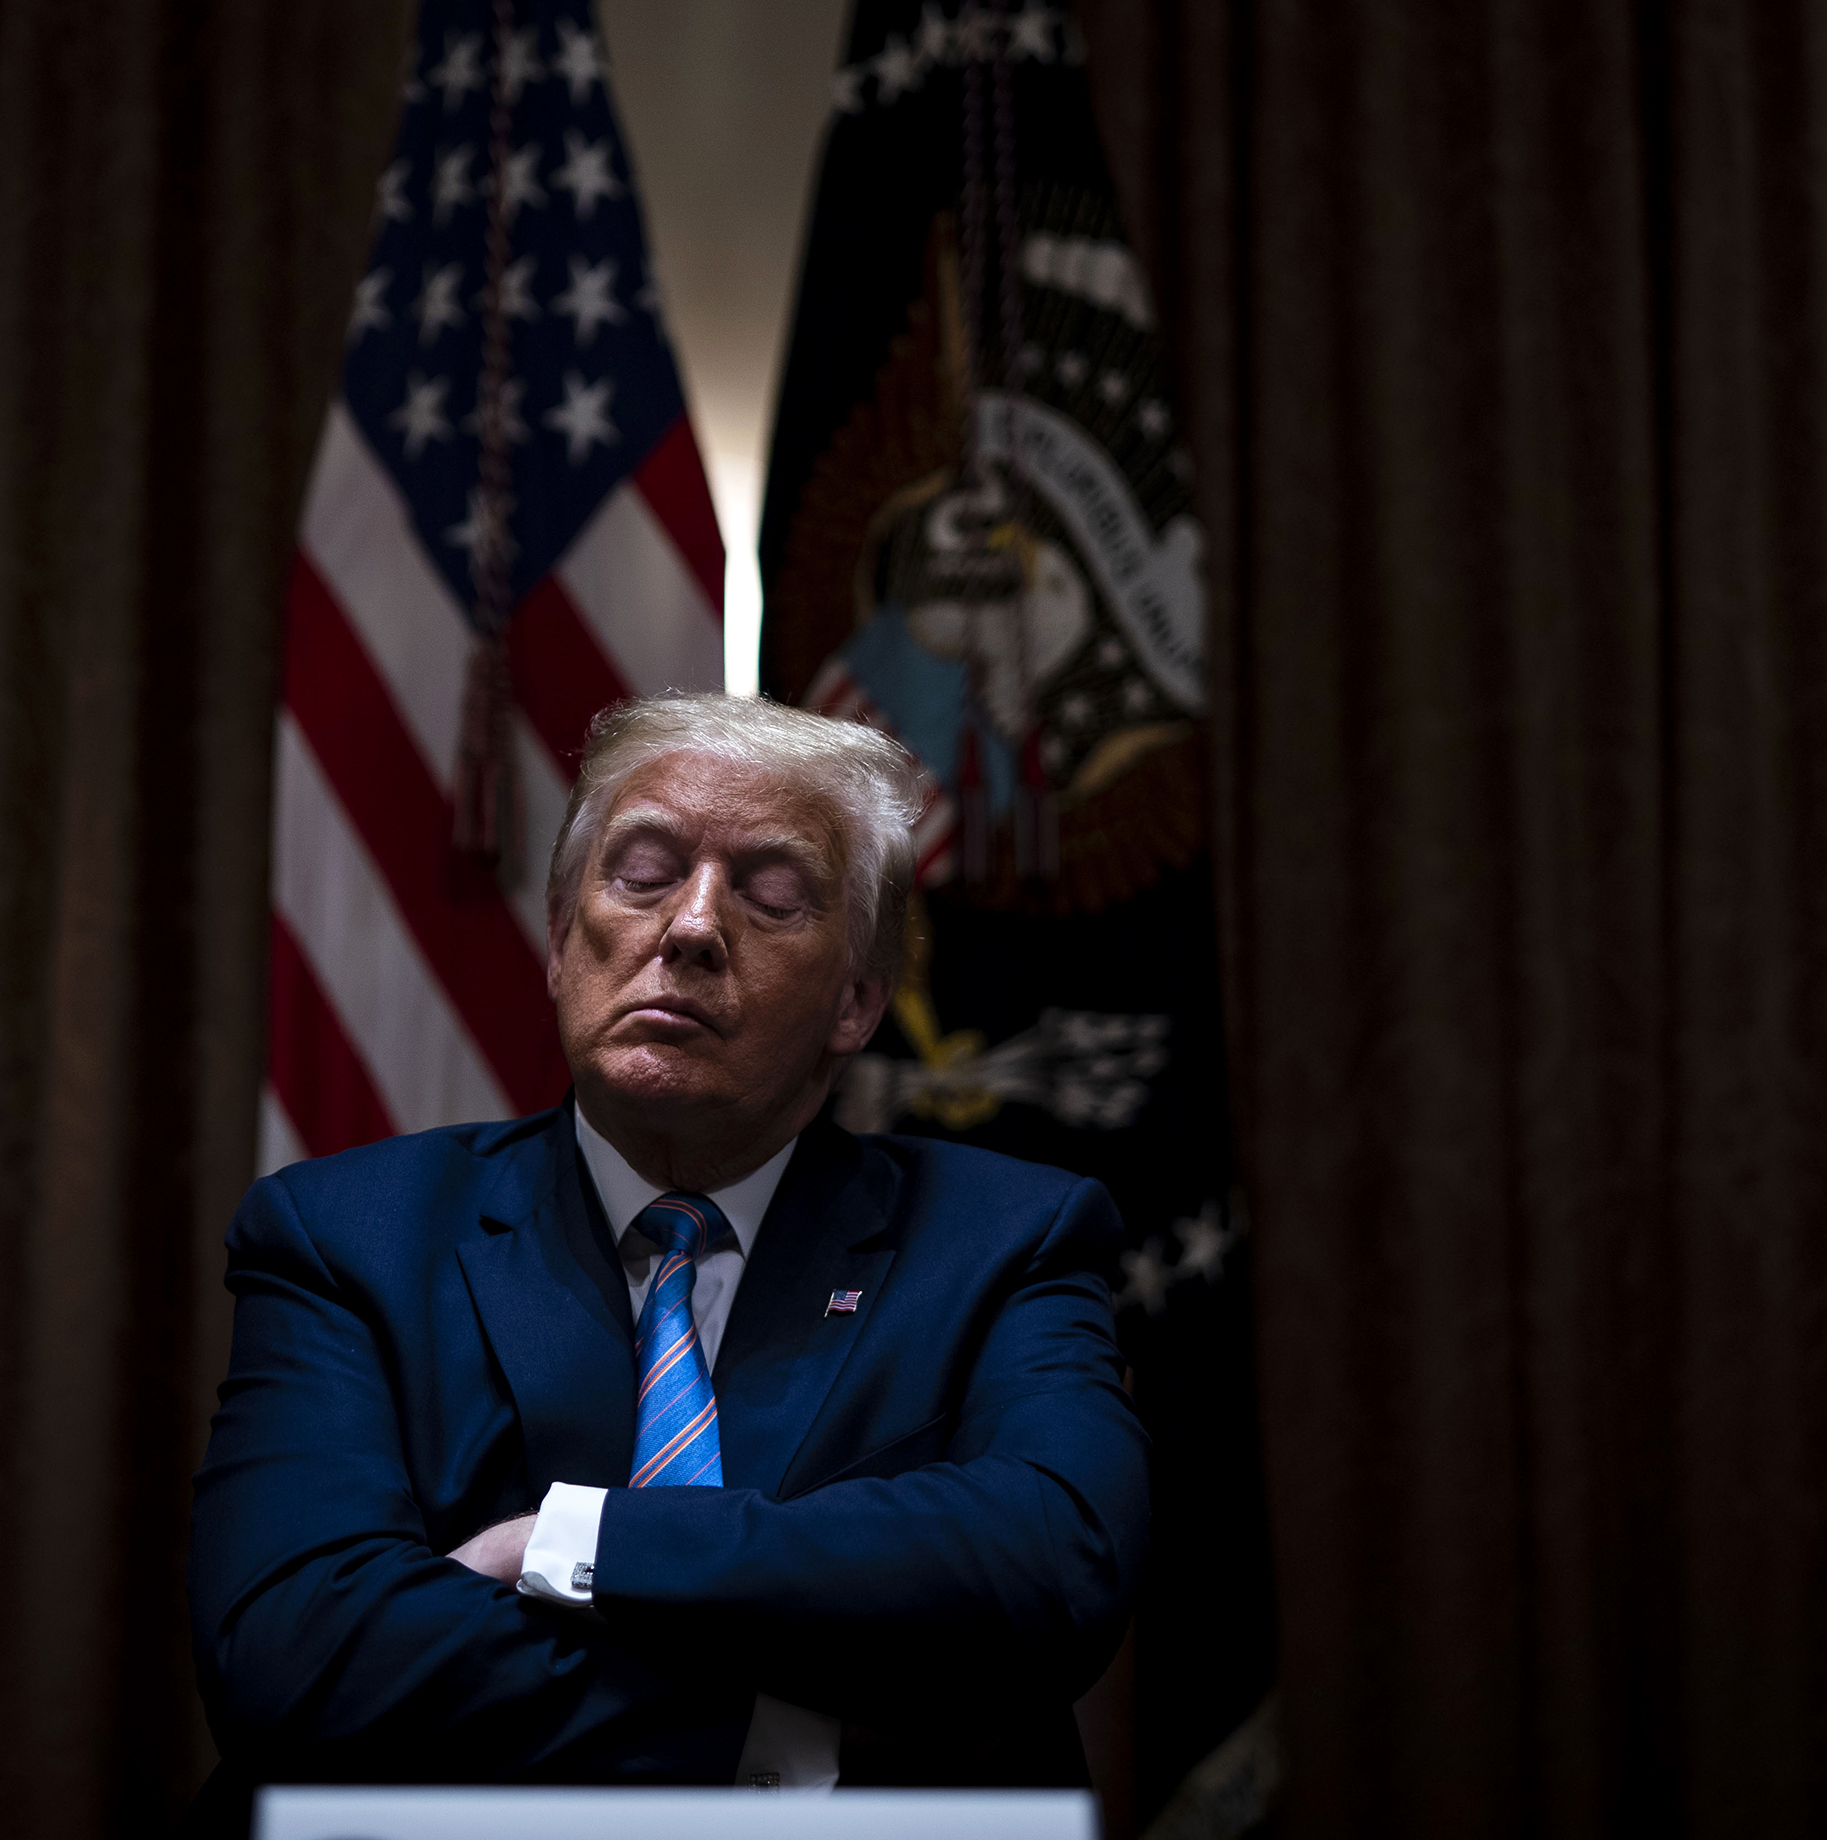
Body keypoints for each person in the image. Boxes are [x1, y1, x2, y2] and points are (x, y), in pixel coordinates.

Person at [188, 691, 1148, 1805]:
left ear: (855, 1001)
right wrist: (795, 1720)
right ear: (561, 943)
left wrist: (572, 1540)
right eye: (643, 876)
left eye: (772, 897)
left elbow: (1053, 1566)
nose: (691, 927)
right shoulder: (346, 1234)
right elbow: (293, 1656)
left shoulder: (1007, 1239)